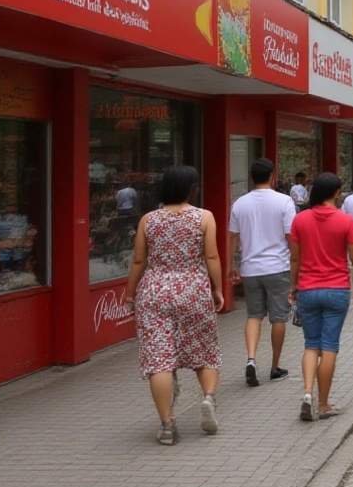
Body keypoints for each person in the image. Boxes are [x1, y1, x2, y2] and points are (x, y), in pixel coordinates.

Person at [123, 165, 223, 445]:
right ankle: (208, 399)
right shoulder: (204, 217)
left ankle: (167, 425)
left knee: (159, 359)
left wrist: (129, 294)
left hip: (154, 292)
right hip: (193, 290)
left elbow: (139, 261)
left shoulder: (148, 220)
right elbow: (211, 257)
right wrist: (217, 288)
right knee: (205, 349)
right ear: (192, 189)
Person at [289, 173, 353, 422]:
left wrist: (293, 286)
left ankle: (308, 393)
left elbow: (295, 258)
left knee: (311, 345)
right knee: (329, 346)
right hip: (337, 290)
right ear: (338, 192)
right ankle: (323, 404)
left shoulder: (300, 220)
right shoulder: (346, 221)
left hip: (307, 289)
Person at [228, 158, 297, 387]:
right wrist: (298, 264)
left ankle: (251, 359)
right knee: (279, 317)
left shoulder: (239, 204)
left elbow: (232, 237)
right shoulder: (284, 201)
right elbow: (290, 236)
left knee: (254, 315)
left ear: (251, 177)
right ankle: (275, 367)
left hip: (250, 269)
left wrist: (231, 266)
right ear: (272, 176)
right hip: (278, 267)